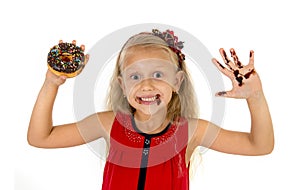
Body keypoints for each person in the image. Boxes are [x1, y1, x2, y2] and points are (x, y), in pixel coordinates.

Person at [27, 29, 274, 190]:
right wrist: (52, 83)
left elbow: (259, 146)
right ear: (123, 86)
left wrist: (255, 96)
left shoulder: (192, 131)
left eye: (158, 74)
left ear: (177, 82)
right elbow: (40, 137)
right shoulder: (108, 123)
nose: (146, 85)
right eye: (135, 76)